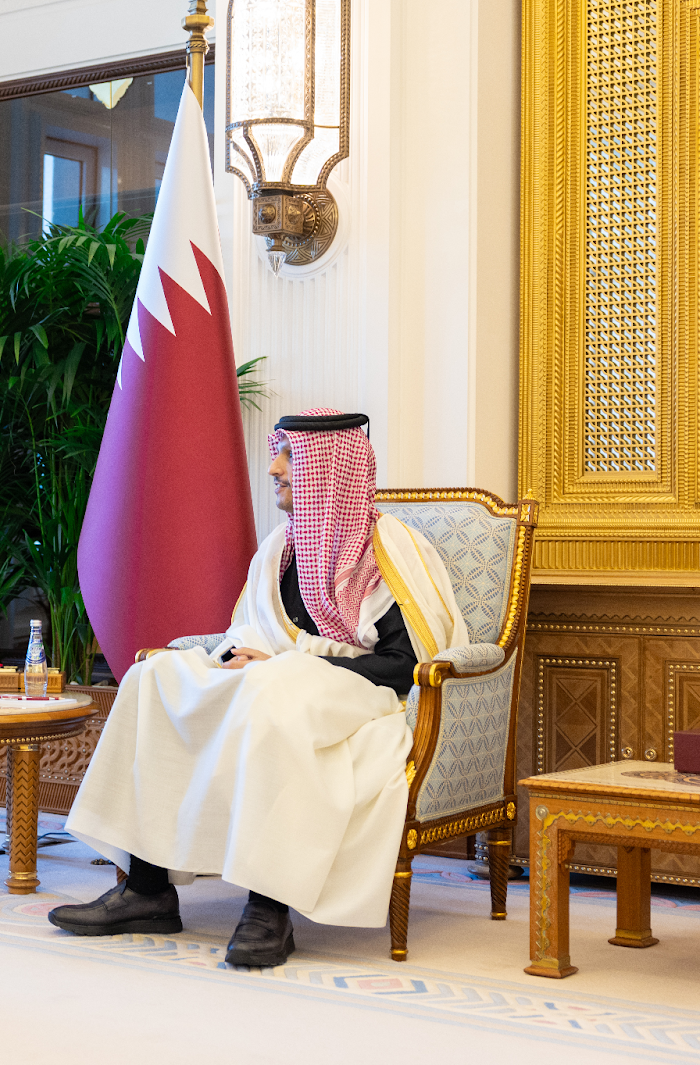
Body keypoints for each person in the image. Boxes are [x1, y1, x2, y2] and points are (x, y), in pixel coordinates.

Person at [48, 409, 465, 967]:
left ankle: (268, 909)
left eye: (289, 457)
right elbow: (248, 631)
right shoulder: (279, 549)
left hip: (361, 694)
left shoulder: (390, 550)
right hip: (276, 678)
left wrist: (291, 661)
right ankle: (146, 890)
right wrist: (235, 658)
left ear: (329, 470)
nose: (273, 469)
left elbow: (407, 663)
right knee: (154, 678)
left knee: (277, 686)